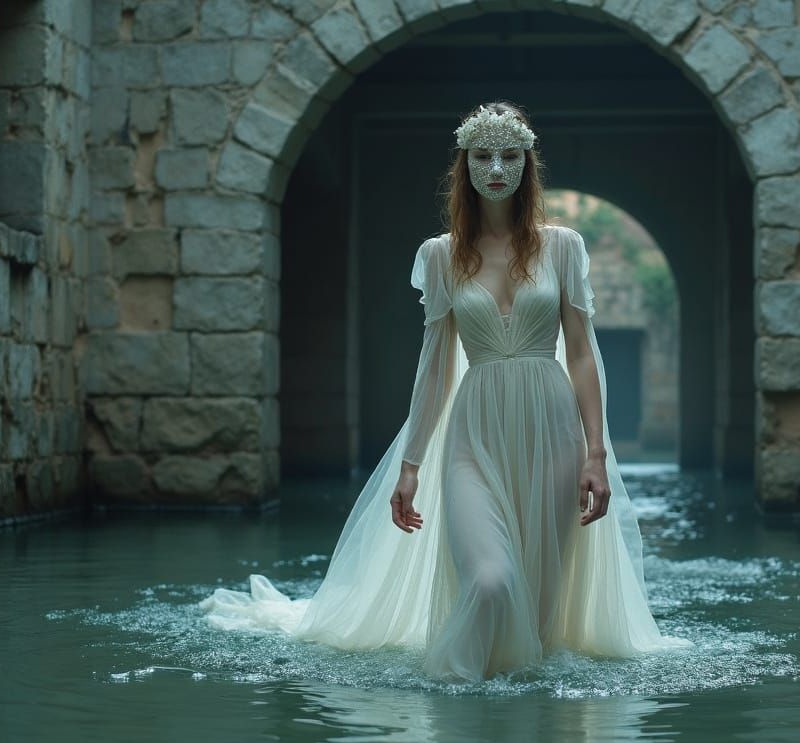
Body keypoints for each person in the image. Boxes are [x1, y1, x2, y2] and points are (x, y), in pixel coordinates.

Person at [199, 101, 693, 682]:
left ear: (527, 164)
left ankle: (519, 729)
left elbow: (582, 353)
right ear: (465, 164)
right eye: (483, 155)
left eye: (510, 155)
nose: (497, 168)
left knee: (538, 614)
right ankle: (451, 694)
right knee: (489, 581)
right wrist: (410, 466)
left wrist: (596, 454)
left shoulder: (562, 246)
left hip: (552, 429)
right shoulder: (441, 256)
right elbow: (434, 368)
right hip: (474, 433)